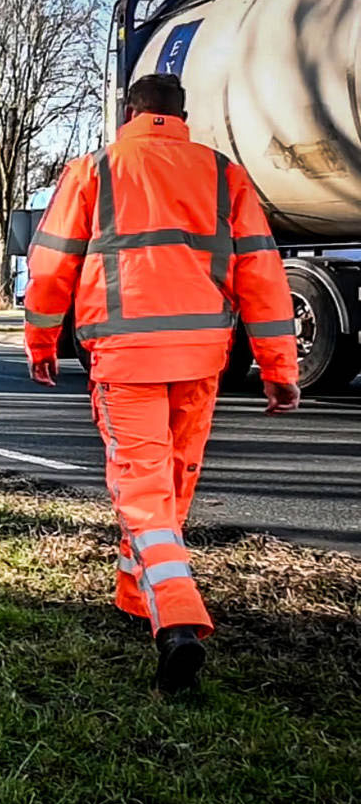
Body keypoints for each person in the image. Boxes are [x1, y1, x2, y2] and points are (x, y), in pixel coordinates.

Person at [22, 72, 300, 693]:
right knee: (171, 484)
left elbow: (49, 267)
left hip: (126, 356)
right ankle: (134, 594)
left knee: (143, 489)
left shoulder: (96, 169)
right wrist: (280, 365)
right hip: (202, 358)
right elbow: (261, 271)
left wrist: (42, 342)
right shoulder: (222, 173)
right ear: (182, 115)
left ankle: (175, 616)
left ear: (129, 111)